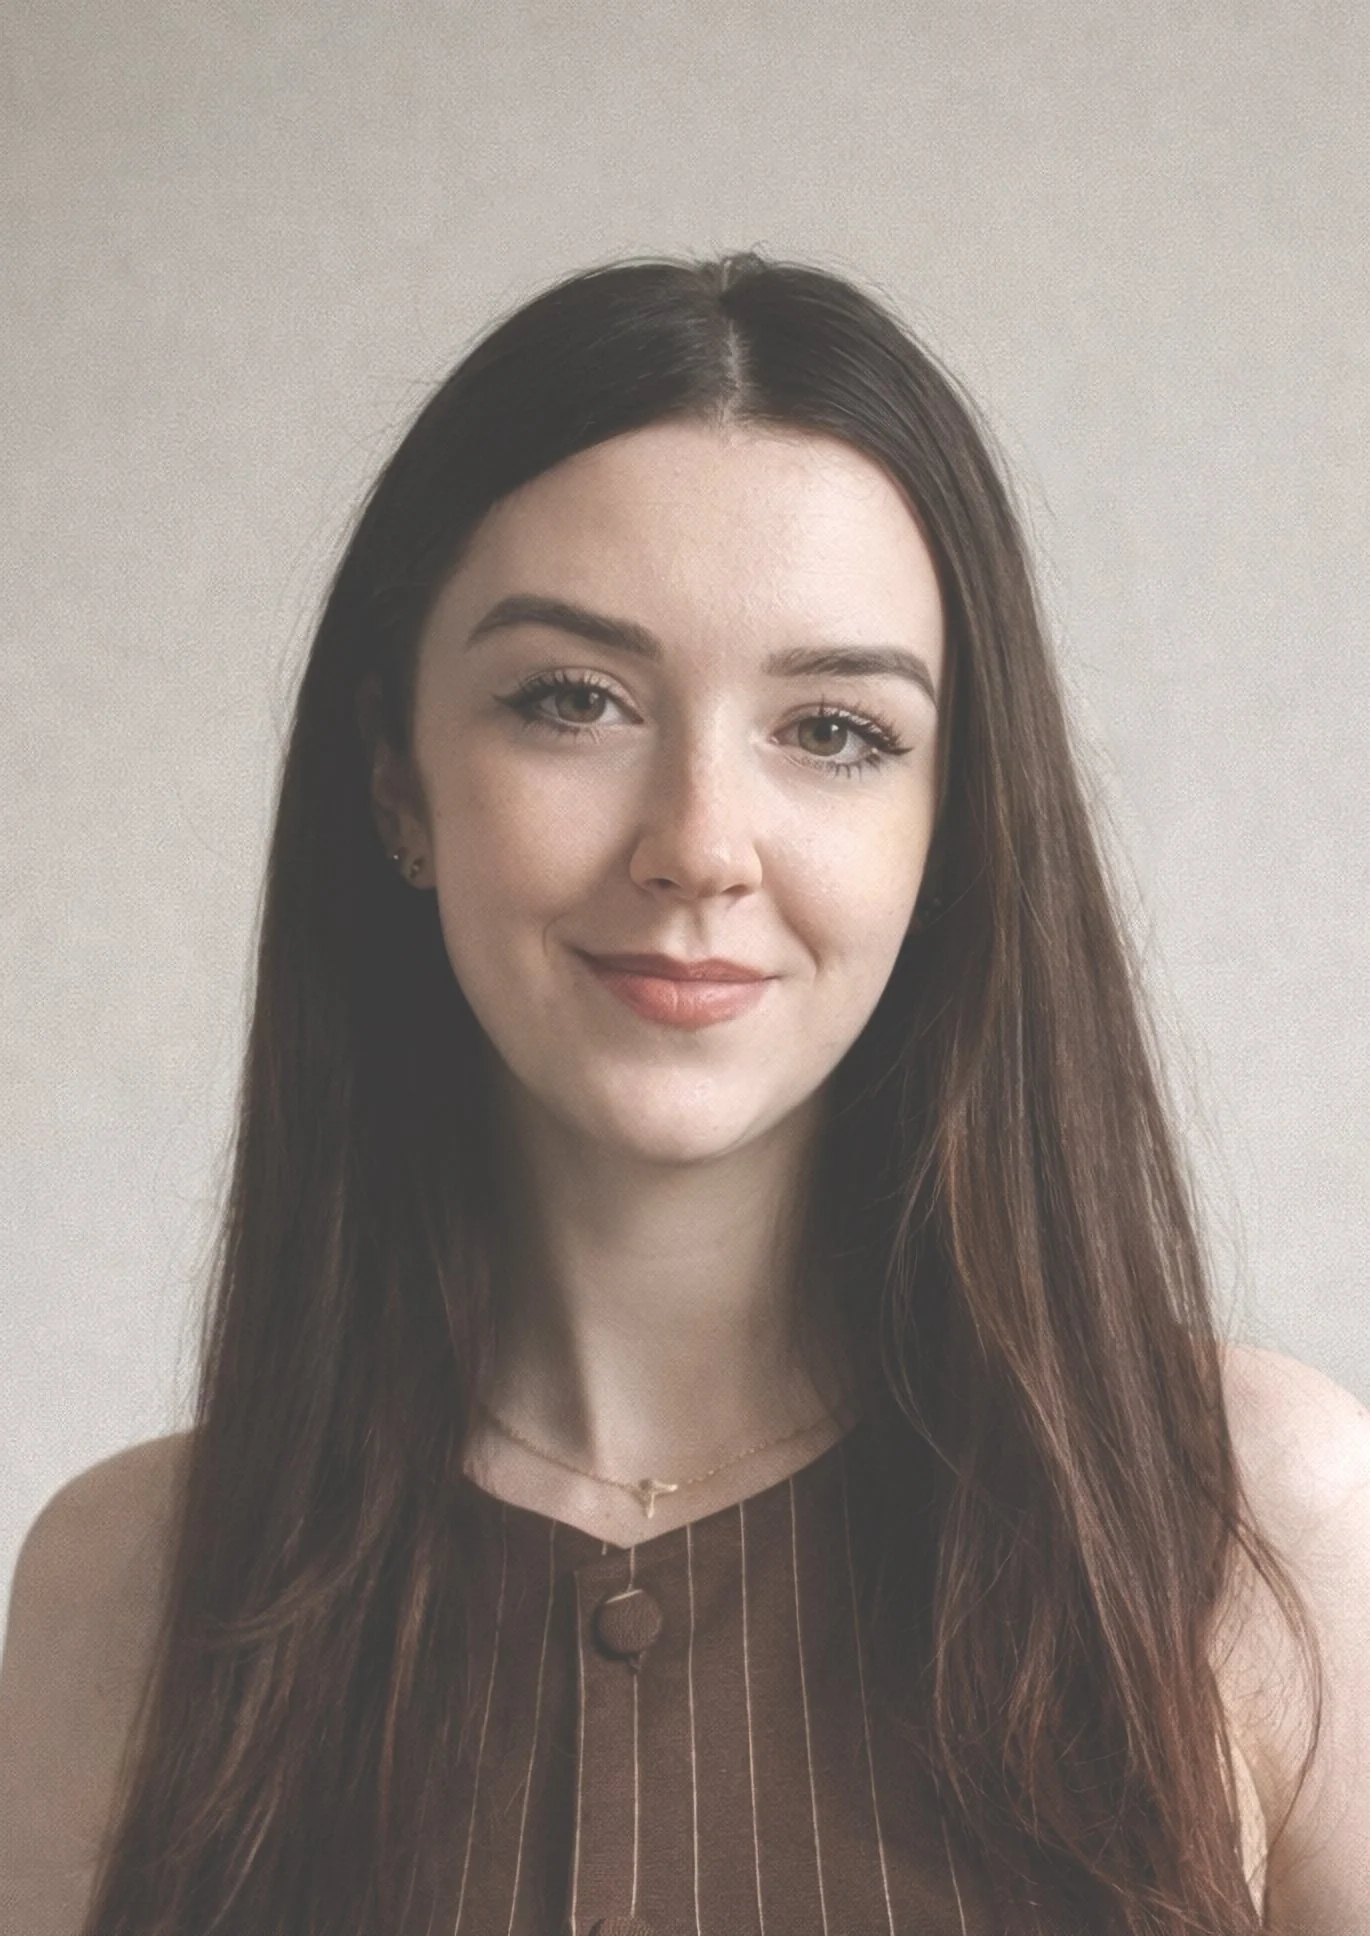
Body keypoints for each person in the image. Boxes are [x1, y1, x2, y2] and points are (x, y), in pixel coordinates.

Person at [1, 253, 1367, 1936]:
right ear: (392, 772)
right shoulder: (126, 1593)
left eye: (837, 730)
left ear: (951, 824)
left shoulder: (1248, 1522)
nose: (699, 844)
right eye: (571, 701)